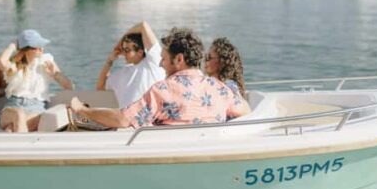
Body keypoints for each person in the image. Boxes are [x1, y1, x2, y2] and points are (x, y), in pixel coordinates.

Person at [69, 28, 250, 128]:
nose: (160, 64)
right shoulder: (220, 88)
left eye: (163, 59)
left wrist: (82, 110)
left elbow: (122, 120)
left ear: (179, 59)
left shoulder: (163, 91)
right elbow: (245, 111)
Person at [0, 29, 73, 133]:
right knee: (19, 115)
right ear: (26, 50)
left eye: (41, 45)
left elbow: (69, 86)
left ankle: (13, 134)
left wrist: (55, 74)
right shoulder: (15, 66)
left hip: (36, 107)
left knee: (14, 126)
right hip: (13, 106)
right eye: (36, 47)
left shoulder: (46, 61)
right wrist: (13, 45)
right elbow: (1, 62)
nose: (41, 49)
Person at [96, 21, 166, 108]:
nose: (123, 53)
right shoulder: (122, 72)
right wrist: (109, 61)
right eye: (123, 49)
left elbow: (143, 25)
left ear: (140, 52)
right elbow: (100, 88)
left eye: (127, 50)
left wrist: (119, 42)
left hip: (148, 118)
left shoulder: (153, 64)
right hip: (126, 119)